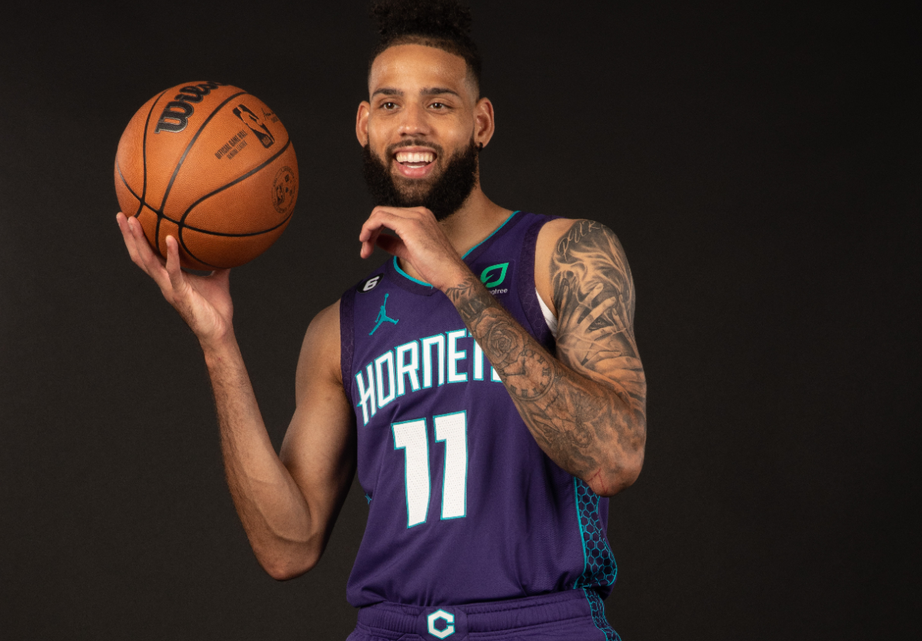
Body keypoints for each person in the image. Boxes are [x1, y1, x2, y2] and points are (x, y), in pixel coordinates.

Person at [116, 1, 645, 638]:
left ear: (482, 123)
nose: (412, 127)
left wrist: (454, 276)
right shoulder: (339, 328)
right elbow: (289, 547)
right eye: (390, 105)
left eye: (440, 104)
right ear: (364, 124)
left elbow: (613, 458)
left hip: (538, 622)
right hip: (392, 627)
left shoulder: (564, 252)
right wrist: (217, 342)